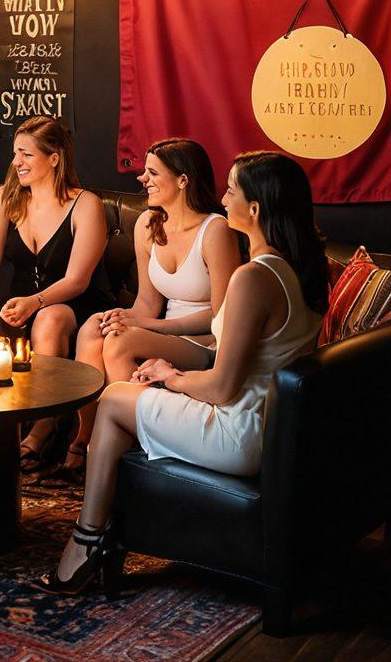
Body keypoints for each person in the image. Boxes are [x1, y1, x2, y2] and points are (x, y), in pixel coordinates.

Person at [40, 151, 327, 595]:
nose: (224, 197)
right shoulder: (297, 270)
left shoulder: (253, 278)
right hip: (270, 426)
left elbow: (221, 384)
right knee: (122, 404)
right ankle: (101, 537)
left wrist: (168, 375)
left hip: (243, 433)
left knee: (115, 399)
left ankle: (85, 545)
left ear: (254, 209)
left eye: (232, 189)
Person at [57, 138, 242, 481]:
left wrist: (147, 328)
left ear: (183, 180)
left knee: (121, 342)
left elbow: (221, 316)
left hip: (206, 341)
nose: (142, 178)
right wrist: (122, 317)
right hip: (164, 333)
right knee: (95, 328)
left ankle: (132, 444)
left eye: (152, 172)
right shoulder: (147, 225)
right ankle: (88, 436)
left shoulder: (215, 231)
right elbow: (148, 303)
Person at [0, 116, 114, 471]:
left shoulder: (85, 204)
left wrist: (35, 303)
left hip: (77, 306)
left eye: (27, 155)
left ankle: (43, 428)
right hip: (23, 307)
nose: (17, 163)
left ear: (55, 157)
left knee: (49, 317)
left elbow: (78, 279)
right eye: (15, 154)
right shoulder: (4, 198)